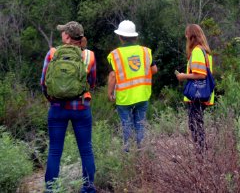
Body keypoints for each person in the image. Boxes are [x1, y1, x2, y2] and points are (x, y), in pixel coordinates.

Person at [40, 21, 96, 192]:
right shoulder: (89, 56)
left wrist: (52, 98)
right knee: (86, 150)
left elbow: (43, 83)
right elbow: (92, 83)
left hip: (57, 108)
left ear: (67, 36)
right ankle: (88, 188)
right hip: (81, 108)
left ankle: (51, 189)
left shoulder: (52, 54)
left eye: (63, 32)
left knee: (55, 151)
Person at [107, 20, 157, 151]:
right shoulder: (145, 51)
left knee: (126, 124)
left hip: (124, 97)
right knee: (140, 124)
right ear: (135, 37)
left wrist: (110, 93)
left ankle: (128, 152)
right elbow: (154, 70)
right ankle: (141, 151)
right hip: (142, 94)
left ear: (120, 37)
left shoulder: (115, 54)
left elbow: (113, 76)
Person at [176, 24, 214, 152]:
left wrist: (183, 76)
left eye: (186, 35)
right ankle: (202, 153)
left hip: (197, 95)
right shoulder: (205, 51)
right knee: (198, 124)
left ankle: (200, 155)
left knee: (195, 126)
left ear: (190, 36)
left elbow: (200, 74)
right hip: (202, 94)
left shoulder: (197, 51)